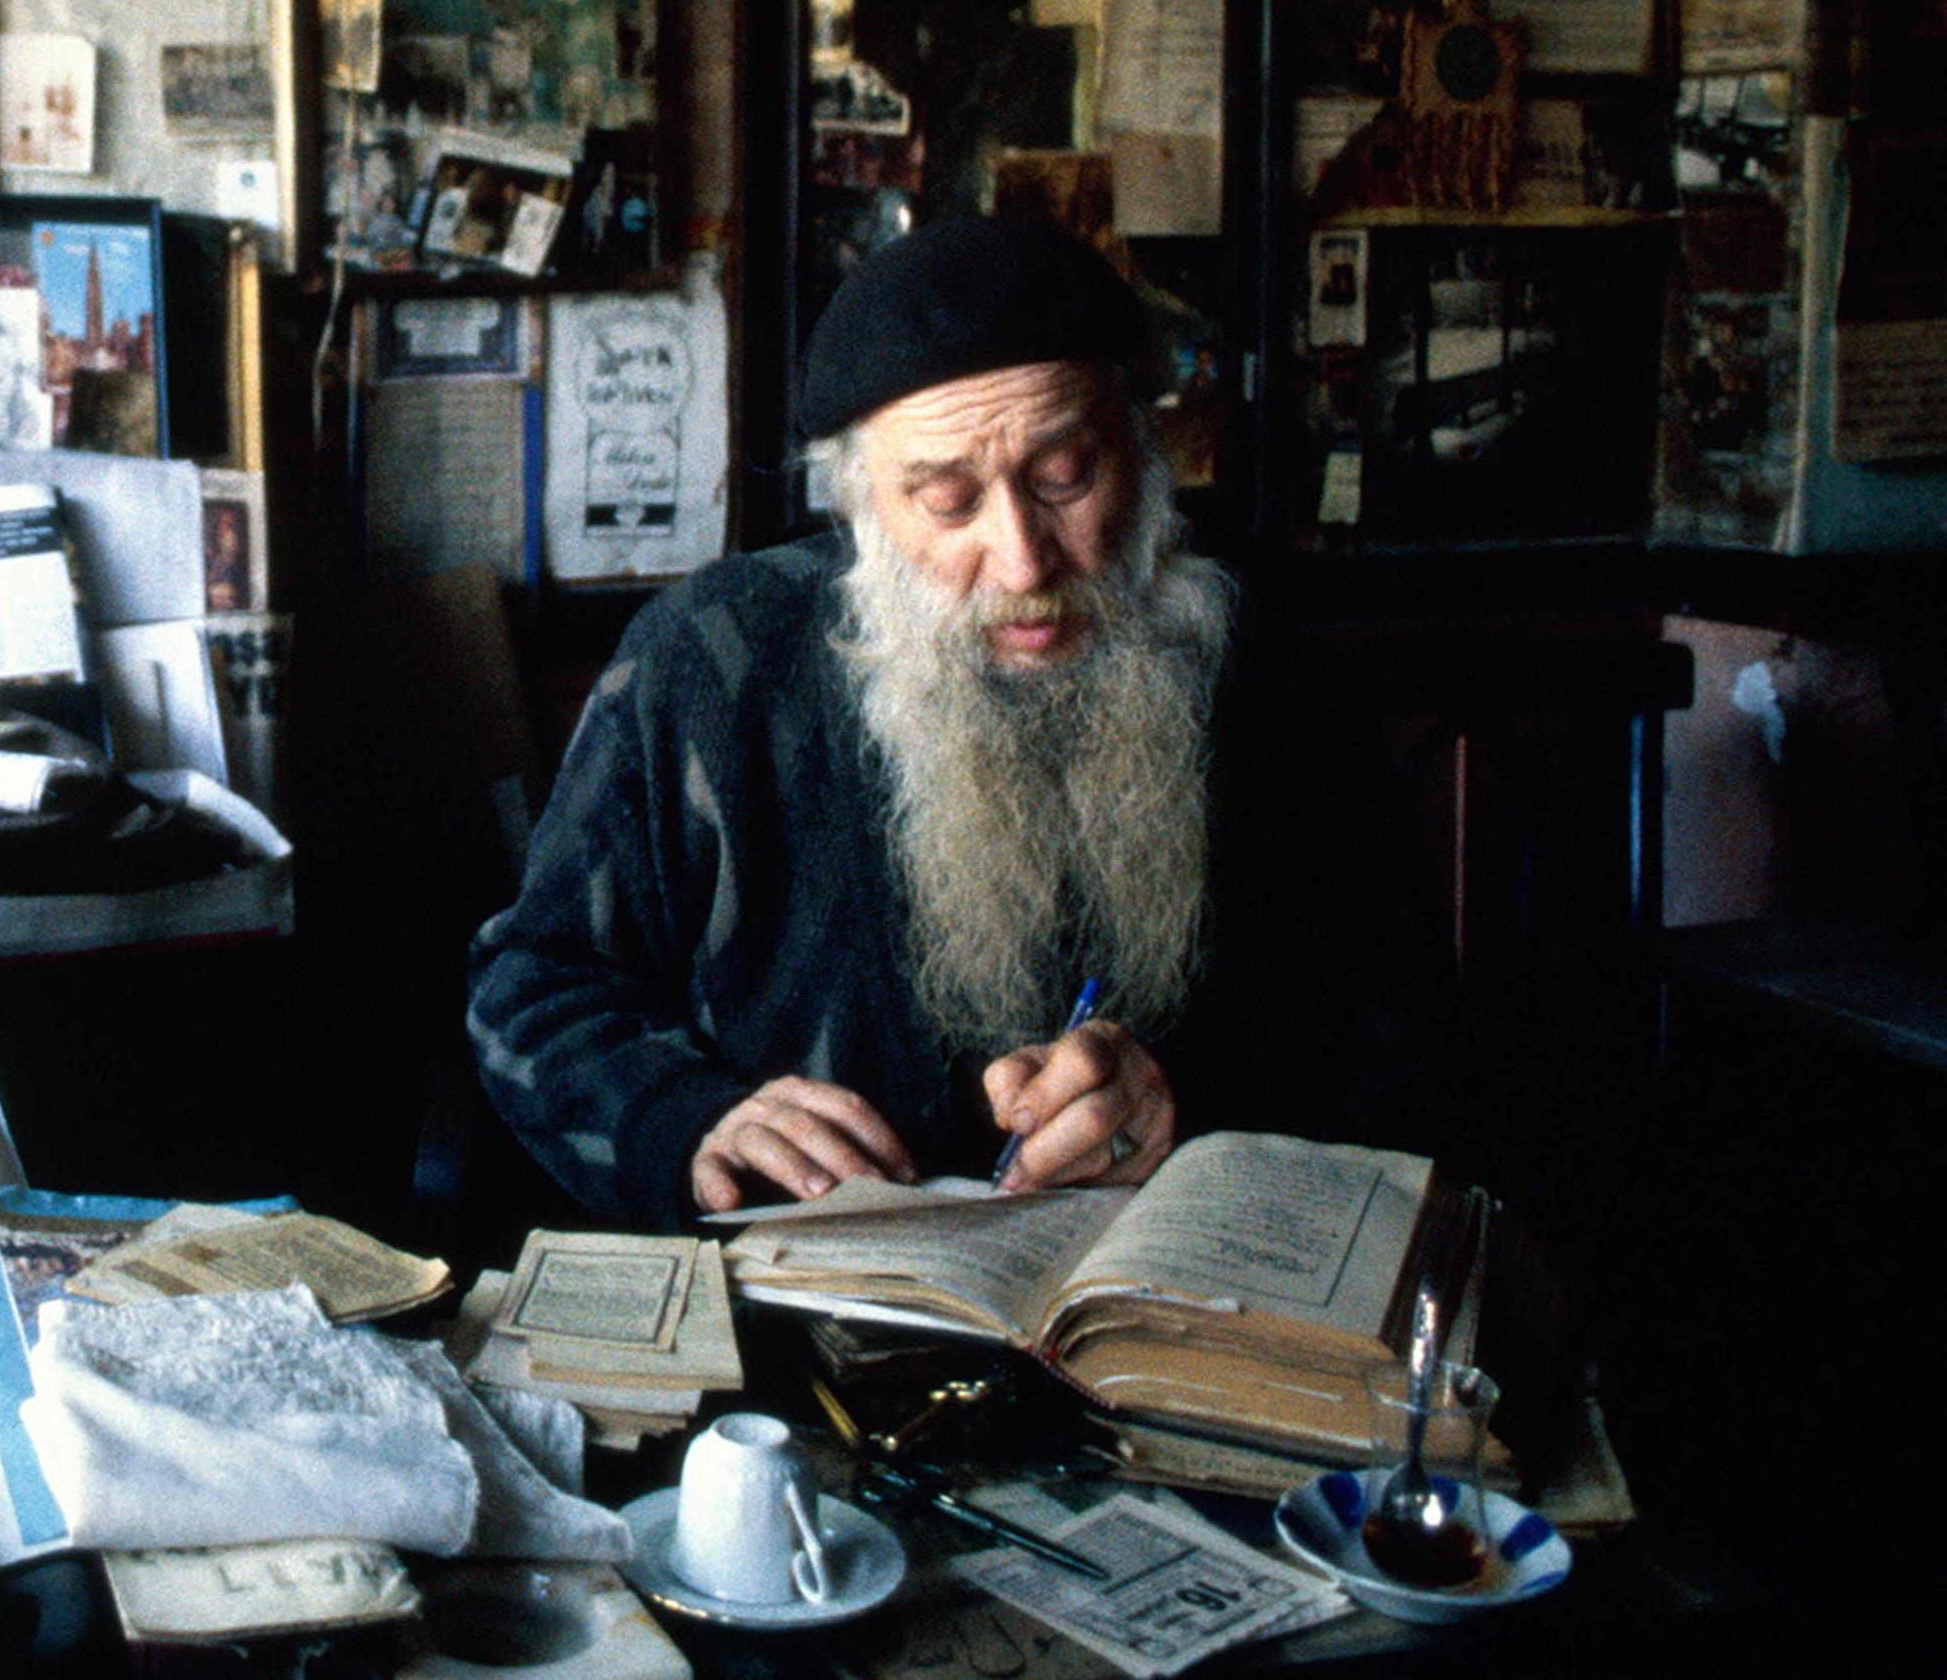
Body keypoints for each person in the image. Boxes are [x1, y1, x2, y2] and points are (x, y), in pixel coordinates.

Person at [469, 215, 1412, 1226]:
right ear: (862, 503)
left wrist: (1190, 1108)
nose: (1023, 560)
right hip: (797, 1329)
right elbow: (535, 987)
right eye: (950, 501)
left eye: (1064, 478)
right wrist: (688, 1116)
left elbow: (1396, 1037)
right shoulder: (711, 662)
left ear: (1142, 452)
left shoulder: (1255, 671)